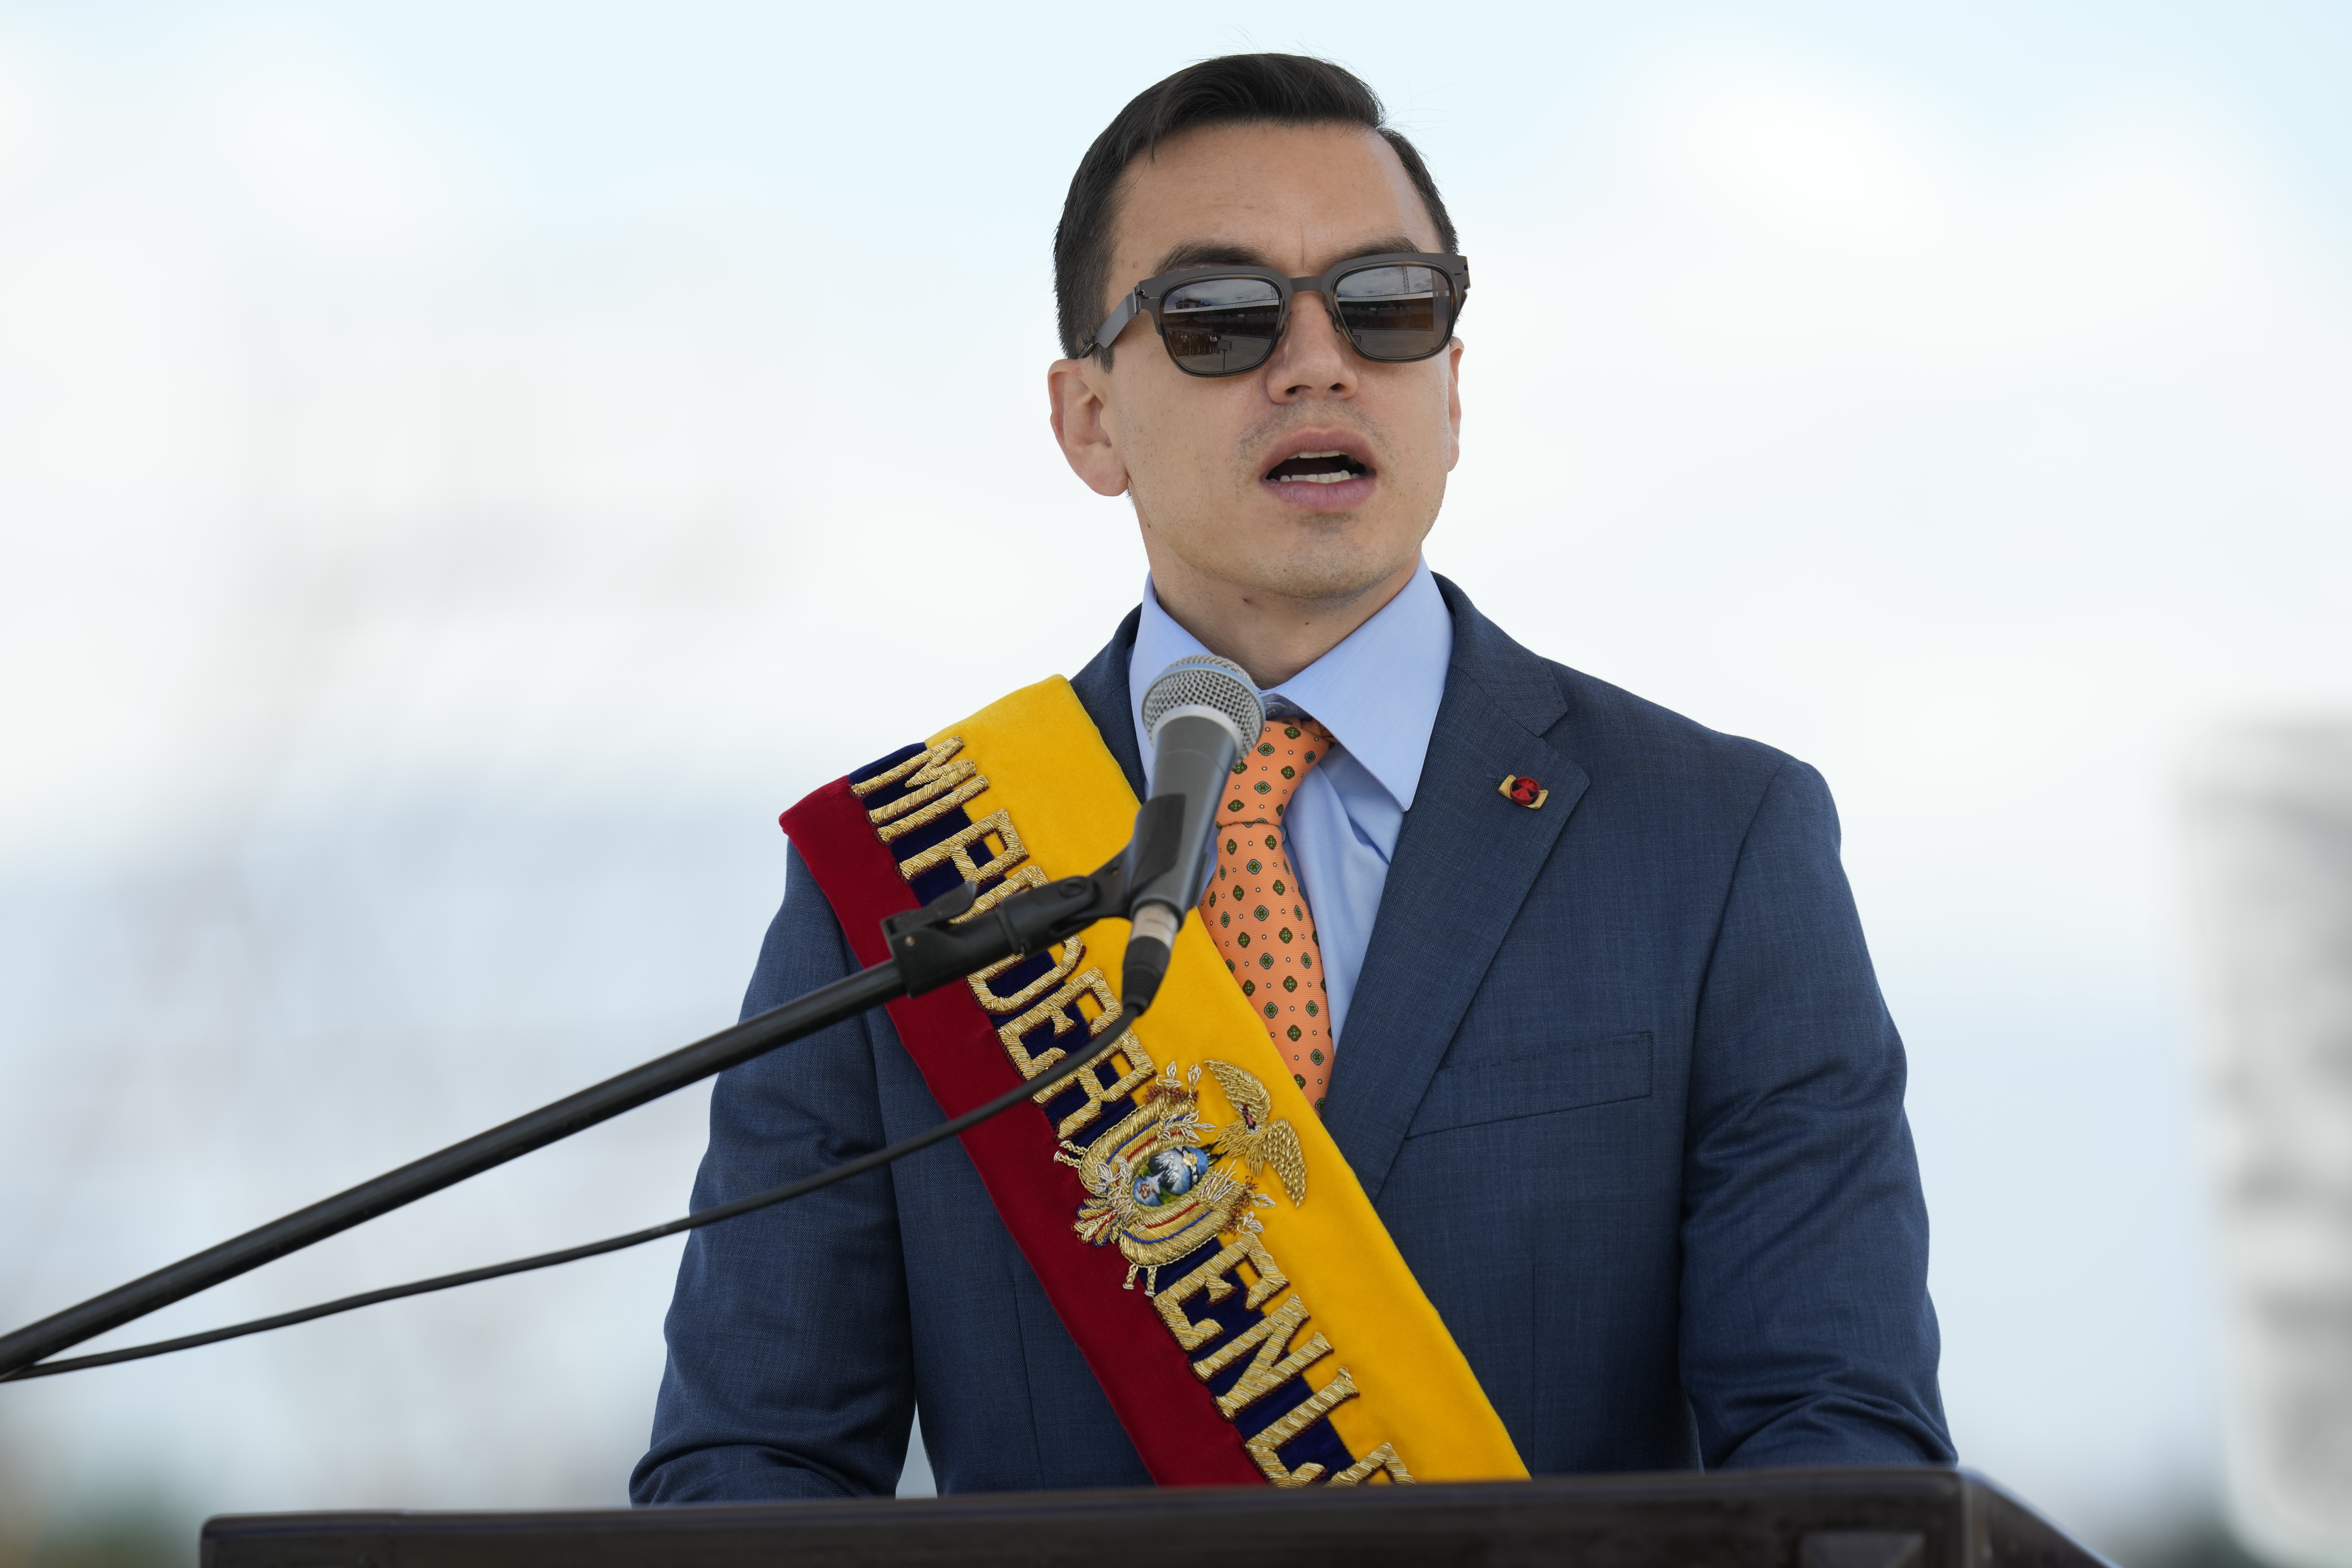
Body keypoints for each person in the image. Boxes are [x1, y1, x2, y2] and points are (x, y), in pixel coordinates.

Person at [631, 53, 1951, 1500]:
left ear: (1452, 382)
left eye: (1386, 304)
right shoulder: (902, 885)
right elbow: (752, 1471)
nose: (1318, 360)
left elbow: (1839, 1472)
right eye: (1218, 317)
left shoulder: (1711, 847)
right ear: (1086, 421)